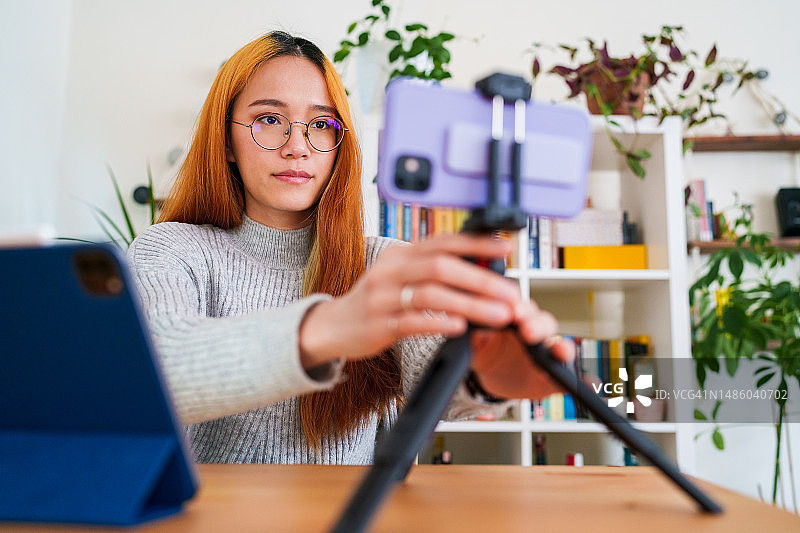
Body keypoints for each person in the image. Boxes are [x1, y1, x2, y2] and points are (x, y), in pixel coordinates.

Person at [128, 30, 573, 465]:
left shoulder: (382, 262)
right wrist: (329, 327)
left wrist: (489, 374)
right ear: (225, 139)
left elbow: (437, 378)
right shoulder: (170, 249)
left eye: (321, 125)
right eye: (269, 119)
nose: (297, 147)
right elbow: (152, 370)